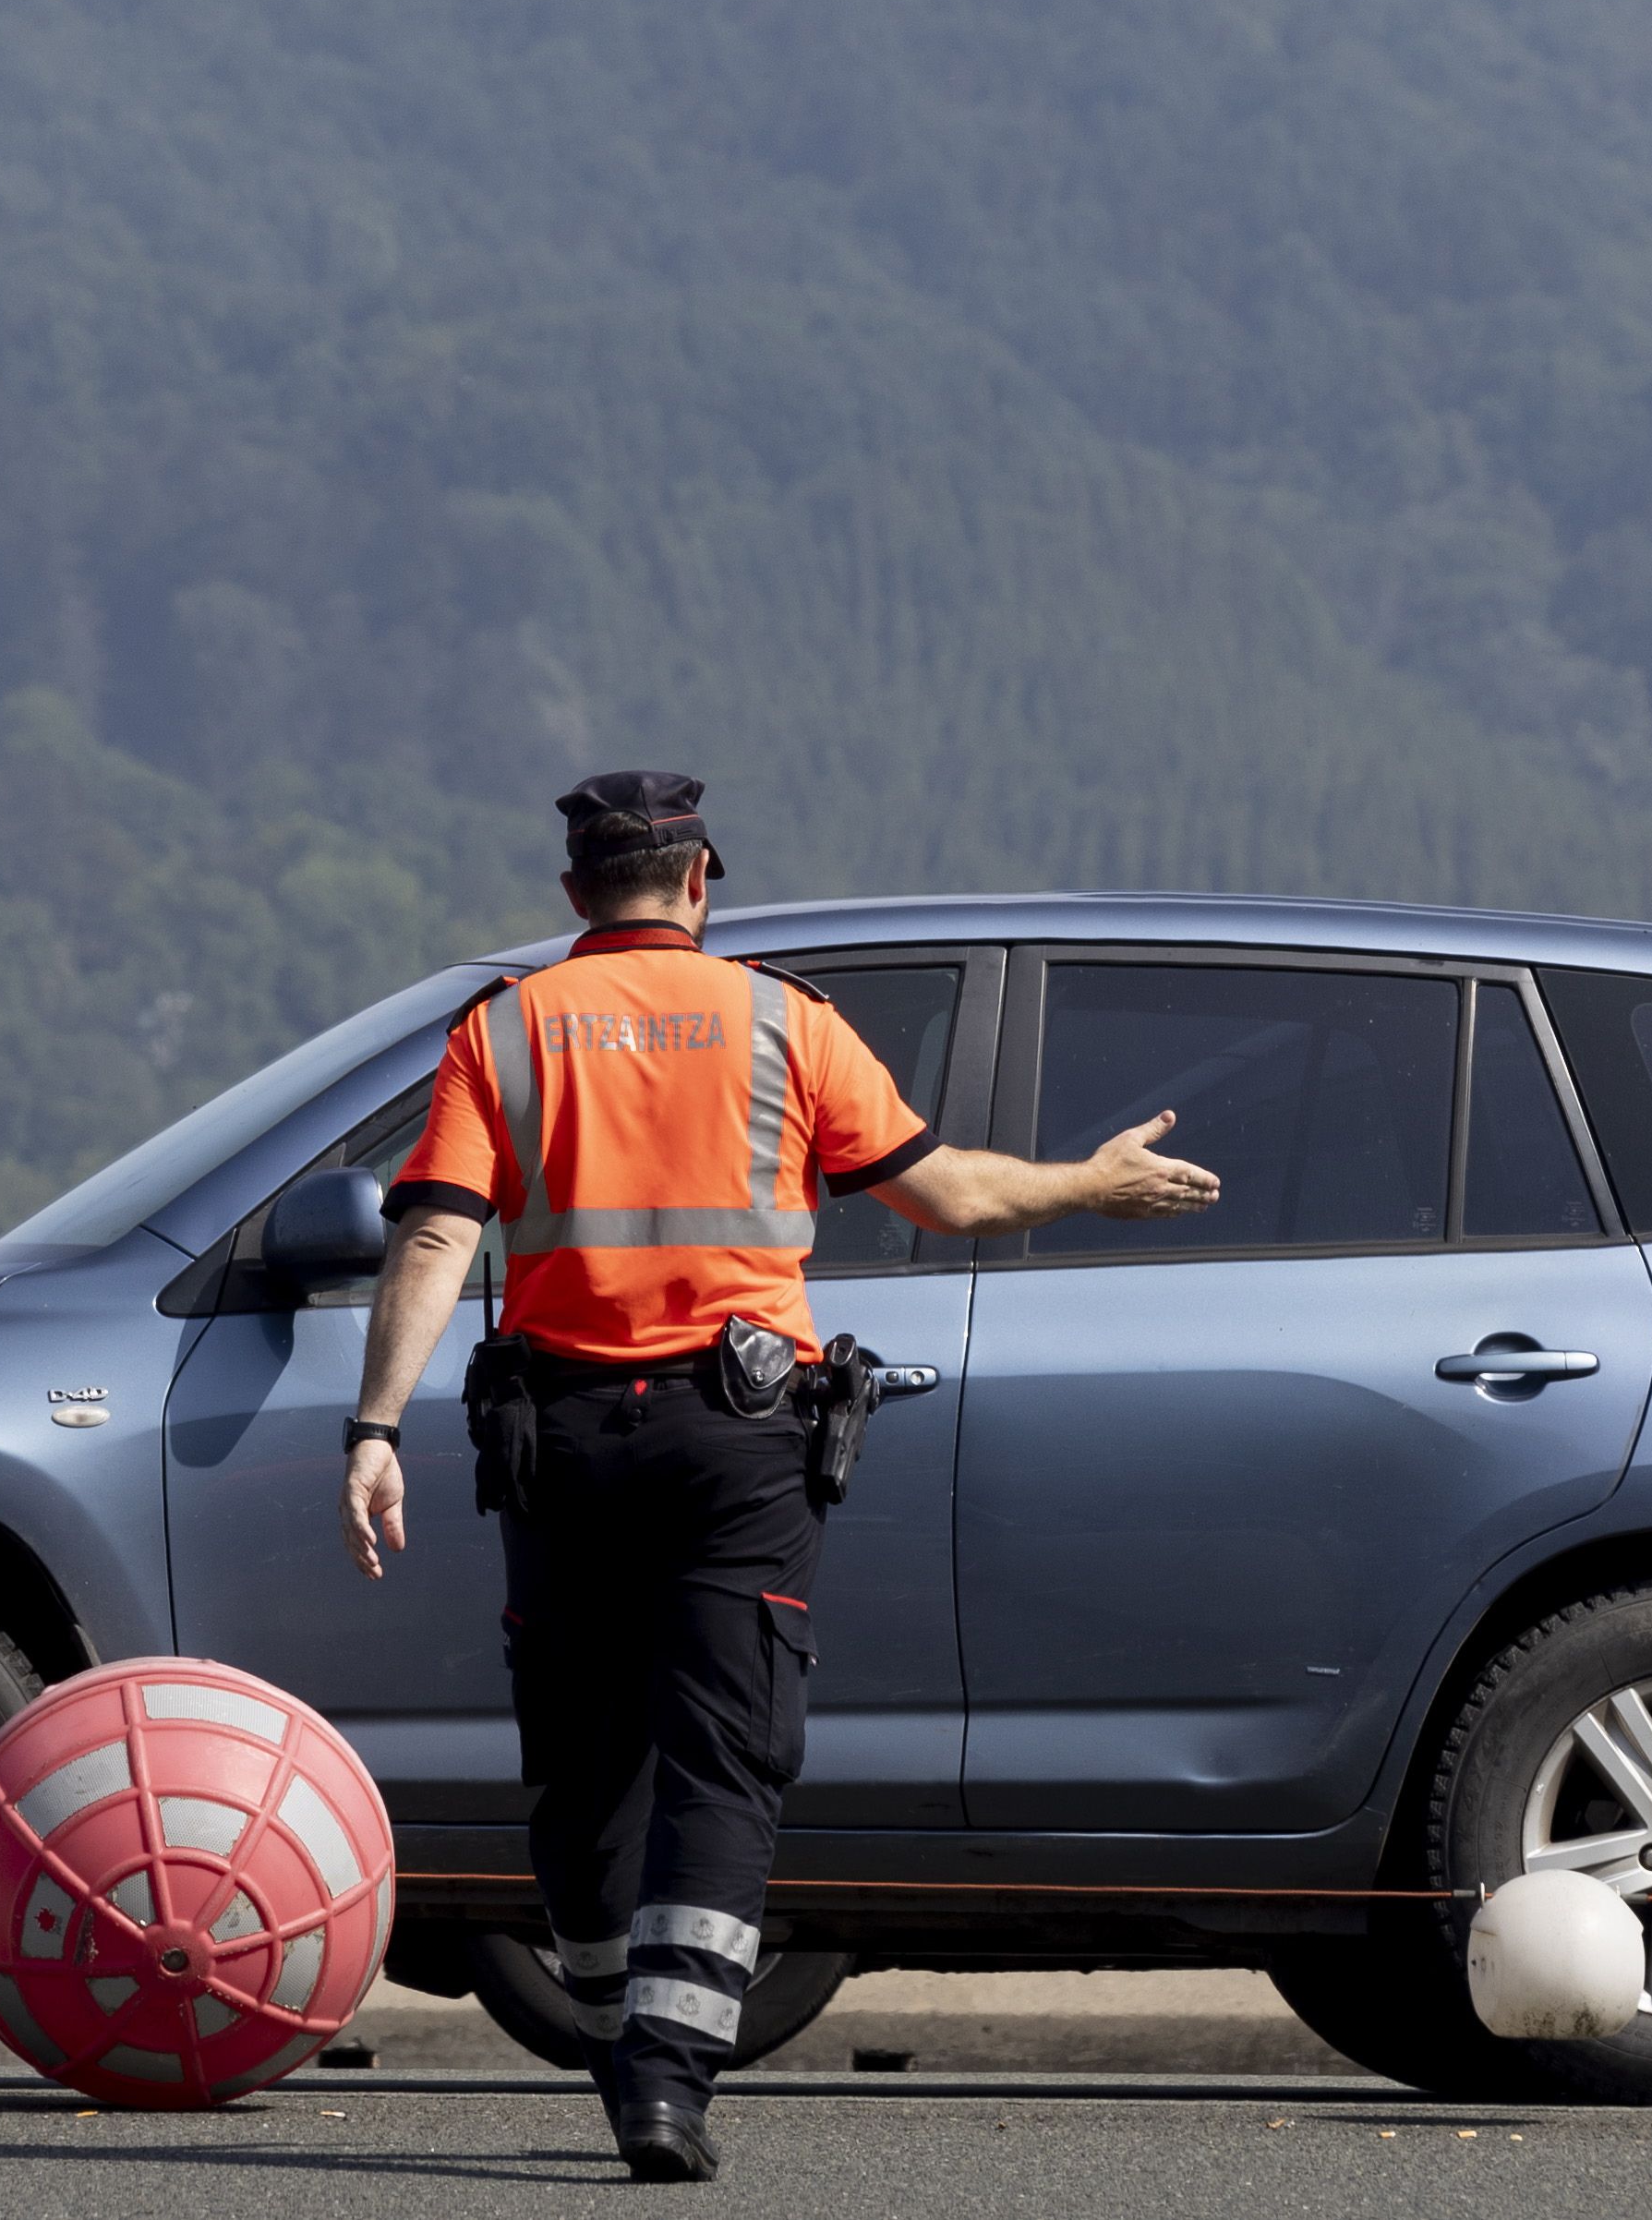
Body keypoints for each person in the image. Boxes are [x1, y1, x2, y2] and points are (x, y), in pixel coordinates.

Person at [336, 772, 1217, 2182]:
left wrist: (373, 1427)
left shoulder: (502, 1031)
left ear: (577, 895)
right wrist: (1091, 1182)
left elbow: (433, 1241)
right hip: (736, 1442)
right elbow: (956, 1198)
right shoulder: (782, 1022)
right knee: (727, 1758)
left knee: (581, 1762)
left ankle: (618, 2032)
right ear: (701, 881)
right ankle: (670, 2085)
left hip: (559, 1441)